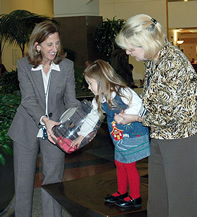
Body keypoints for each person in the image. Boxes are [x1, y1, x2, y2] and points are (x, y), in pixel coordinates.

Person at [116, 14, 197, 217]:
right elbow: (155, 102)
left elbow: (165, 115)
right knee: (159, 199)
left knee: (181, 202)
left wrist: (134, 118)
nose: (127, 52)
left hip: (180, 140)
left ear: (146, 43)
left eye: (131, 48)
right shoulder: (154, 60)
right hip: (161, 137)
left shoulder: (172, 63)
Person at [8, 20, 80, 217]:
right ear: (37, 45)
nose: (54, 49)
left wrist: (78, 122)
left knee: (53, 182)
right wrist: (44, 120)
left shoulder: (66, 66)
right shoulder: (24, 65)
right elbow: (28, 100)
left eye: (57, 43)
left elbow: (71, 101)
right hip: (26, 129)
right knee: (23, 183)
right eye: (49, 44)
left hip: (56, 131)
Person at [70, 59, 150, 208]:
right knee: (120, 163)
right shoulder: (99, 99)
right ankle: (122, 192)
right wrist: (81, 136)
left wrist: (126, 115)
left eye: (90, 83)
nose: (89, 87)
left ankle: (135, 197)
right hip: (119, 138)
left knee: (129, 165)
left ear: (101, 81)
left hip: (133, 135)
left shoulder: (122, 92)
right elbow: (92, 118)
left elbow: (138, 105)